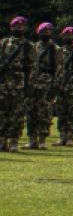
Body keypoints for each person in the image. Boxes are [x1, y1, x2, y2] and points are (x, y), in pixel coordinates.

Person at [0, 16, 34, 153]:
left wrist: (29, 85)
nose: (18, 29)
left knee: (17, 113)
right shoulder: (3, 43)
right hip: (3, 82)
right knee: (2, 112)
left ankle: (14, 141)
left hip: (19, 82)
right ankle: (2, 140)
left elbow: (32, 67)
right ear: (11, 28)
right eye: (16, 27)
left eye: (21, 27)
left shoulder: (28, 46)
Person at [26, 22, 59, 150]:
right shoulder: (33, 47)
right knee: (31, 112)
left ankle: (42, 140)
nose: (45, 34)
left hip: (47, 83)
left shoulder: (55, 49)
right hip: (33, 83)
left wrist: (54, 87)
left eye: (47, 32)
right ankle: (32, 139)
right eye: (42, 32)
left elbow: (59, 70)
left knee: (44, 112)